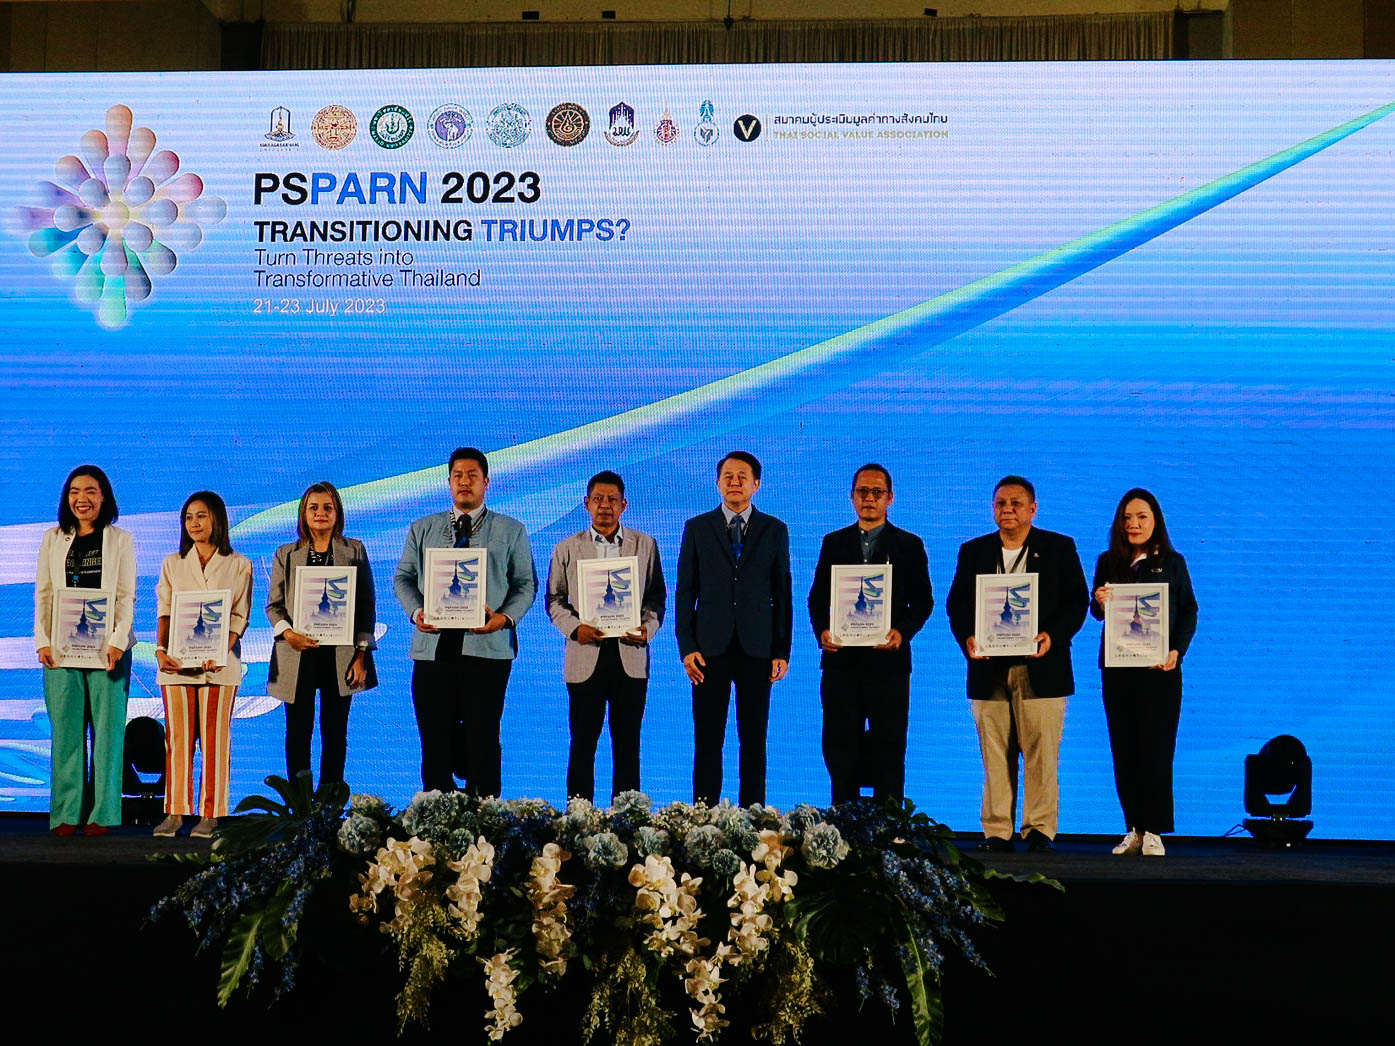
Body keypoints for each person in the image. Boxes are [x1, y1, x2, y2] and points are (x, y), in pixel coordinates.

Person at [946, 475, 1088, 852]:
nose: (1007, 509)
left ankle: (1039, 830)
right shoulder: (973, 551)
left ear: (1032, 509)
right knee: (994, 753)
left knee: (1042, 753)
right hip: (987, 667)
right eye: (1000, 503)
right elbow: (957, 605)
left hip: (1042, 666)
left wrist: (1052, 636)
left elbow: (1078, 602)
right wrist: (968, 639)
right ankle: (997, 831)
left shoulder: (1058, 547)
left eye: (1015, 503)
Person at [394, 447, 537, 796]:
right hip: (433, 650)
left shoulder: (511, 530)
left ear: (486, 482)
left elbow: (525, 585)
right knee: (434, 739)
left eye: (472, 475)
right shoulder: (423, 528)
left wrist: (504, 618)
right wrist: (417, 612)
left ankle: (486, 816)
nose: (464, 482)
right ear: (448, 482)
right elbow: (403, 579)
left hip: (487, 650)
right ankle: (435, 816)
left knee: (483, 737)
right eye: (457, 475)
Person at [807, 463, 933, 804]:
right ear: (851, 497)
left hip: (888, 666)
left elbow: (923, 602)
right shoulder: (833, 543)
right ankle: (842, 823)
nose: (869, 498)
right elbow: (817, 599)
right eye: (863, 491)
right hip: (841, 665)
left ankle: (889, 826)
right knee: (839, 749)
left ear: (890, 498)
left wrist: (902, 632)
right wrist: (822, 631)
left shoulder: (909, 544)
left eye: (877, 492)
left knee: (889, 749)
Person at [676, 451, 792, 807]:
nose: (735, 482)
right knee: (707, 740)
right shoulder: (697, 528)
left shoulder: (775, 529)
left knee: (753, 740)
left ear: (756, 484)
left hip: (757, 648)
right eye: (728, 476)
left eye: (742, 476)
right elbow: (685, 592)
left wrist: (781, 650)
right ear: (717, 484)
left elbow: (782, 594)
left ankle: (752, 816)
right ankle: (704, 817)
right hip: (708, 649)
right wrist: (687, 647)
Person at [545, 470, 666, 802]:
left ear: (624, 505)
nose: (605, 506)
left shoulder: (645, 544)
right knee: (582, 744)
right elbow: (554, 600)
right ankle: (578, 818)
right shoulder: (567, 548)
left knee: (627, 745)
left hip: (630, 656)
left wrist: (647, 629)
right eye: (598, 499)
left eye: (612, 499)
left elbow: (656, 598)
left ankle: (627, 819)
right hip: (585, 655)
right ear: (586, 503)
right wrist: (575, 628)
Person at [1090, 488, 1198, 858]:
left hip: (1159, 671)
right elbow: (1098, 613)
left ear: (1155, 521)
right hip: (1118, 670)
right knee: (1124, 750)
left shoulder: (1172, 562)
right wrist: (1099, 602)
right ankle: (1133, 828)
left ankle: (1154, 829)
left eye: (1141, 517)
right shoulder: (1109, 561)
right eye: (1127, 518)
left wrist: (1175, 651)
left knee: (1156, 749)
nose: (1133, 524)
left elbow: (1189, 611)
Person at [33, 465, 137, 836]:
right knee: (66, 733)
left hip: (109, 651)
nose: (82, 499)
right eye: (75, 492)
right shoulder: (52, 539)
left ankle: (103, 814)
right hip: (61, 650)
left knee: (107, 735)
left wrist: (117, 641)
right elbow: (44, 594)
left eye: (91, 491)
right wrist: (43, 640)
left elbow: (125, 595)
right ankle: (66, 812)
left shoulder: (121, 540)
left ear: (104, 497)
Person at [265, 481, 378, 789]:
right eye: (313, 507)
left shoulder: (354, 550)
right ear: (303, 513)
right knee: (297, 733)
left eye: (328, 507)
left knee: (335, 731)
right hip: (297, 653)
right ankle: (300, 806)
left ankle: (330, 803)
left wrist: (361, 654)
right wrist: (288, 634)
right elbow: (274, 606)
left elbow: (366, 605)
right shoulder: (286, 554)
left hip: (341, 656)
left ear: (337, 512)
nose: (320, 513)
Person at [153, 491, 253, 838]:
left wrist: (221, 650)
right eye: (188, 517)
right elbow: (165, 611)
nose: (194, 523)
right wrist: (161, 649)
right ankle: (176, 812)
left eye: (201, 516)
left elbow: (239, 615)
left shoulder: (238, 563)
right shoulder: (173, 563)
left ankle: (210, 814)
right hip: (177, 665)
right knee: (178, 739)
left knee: (215, 740)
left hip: (219, 666)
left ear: (217, 520)